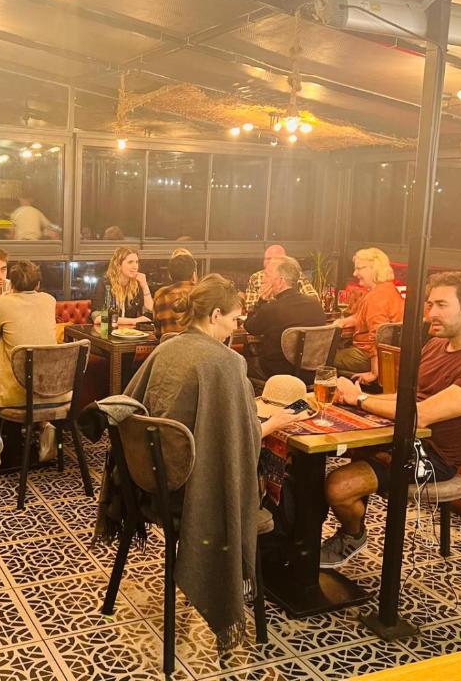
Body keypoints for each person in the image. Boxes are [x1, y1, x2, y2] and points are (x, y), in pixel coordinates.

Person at [121, 274, 299, 650]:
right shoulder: (226, 363)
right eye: (235, 319)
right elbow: (238, 441)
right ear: (216, 315)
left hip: (151, 486)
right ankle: (277, 573)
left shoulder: (167, 346)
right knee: (285, 492)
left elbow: (131, 407)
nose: (237, 328)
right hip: (193, 497)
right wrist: (278, 423)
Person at [319, 271, 461, 567]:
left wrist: (361, 400)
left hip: (432, 459)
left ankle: (351, 536)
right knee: (298, 459)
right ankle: (290, 544)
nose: (431, 313)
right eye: (429, 304)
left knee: (337, 486)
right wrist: (353, 397)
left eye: (442, 305)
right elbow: (408, 400)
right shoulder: (436, 345)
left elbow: (421, 416)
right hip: (398, 440)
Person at [0, 260, 61, 465]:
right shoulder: (49, 300)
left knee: (1, 361)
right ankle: (45, 428)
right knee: (30, 362)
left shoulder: (4, 303)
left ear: (12, 285)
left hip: (14, 395)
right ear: (38, 285)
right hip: (51, 391)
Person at [244, 255, 328, 380]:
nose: (263, 280)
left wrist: (260, 301)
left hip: (277, 373)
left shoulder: (272, 308)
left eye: (266, 275)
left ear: (279, 281)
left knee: (242, 363)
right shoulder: (316, 305)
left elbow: (250, 327)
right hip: (311, 373)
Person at [332, 247, 404, 383]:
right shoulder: (388, 289)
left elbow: (378, 336)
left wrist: (374, 373)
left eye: (359, 268)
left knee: (322, 357)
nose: (354, 273)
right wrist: (343, 321)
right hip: (389, 357)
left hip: (367, 357)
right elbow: (363, 317)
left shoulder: (376, 297)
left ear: (374, 268)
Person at [244, 244, 318, 313]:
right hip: (266, 320)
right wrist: (263, 300)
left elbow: (314, 299)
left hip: (291, 316)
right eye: (267, 259)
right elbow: (250, 307)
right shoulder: (256, 277)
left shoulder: (297, 275)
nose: (271, 262)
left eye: (275, 259)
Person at [91, 246, 153, 326]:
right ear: (118, 265)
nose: (135, 267)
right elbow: (98, 318)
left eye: (137, 262)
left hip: (129, 333)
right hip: (105, 333)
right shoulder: (104, 284)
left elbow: (150, 313)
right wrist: (133, 321)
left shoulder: (137, 285)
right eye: (130, 262)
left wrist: (144, 286)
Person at [153, 251, 197, 336]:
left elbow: (158, 332)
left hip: (167, 347)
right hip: (197, 347)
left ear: (170, 275)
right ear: (193, 274)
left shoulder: (161, 294)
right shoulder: (200, 293)